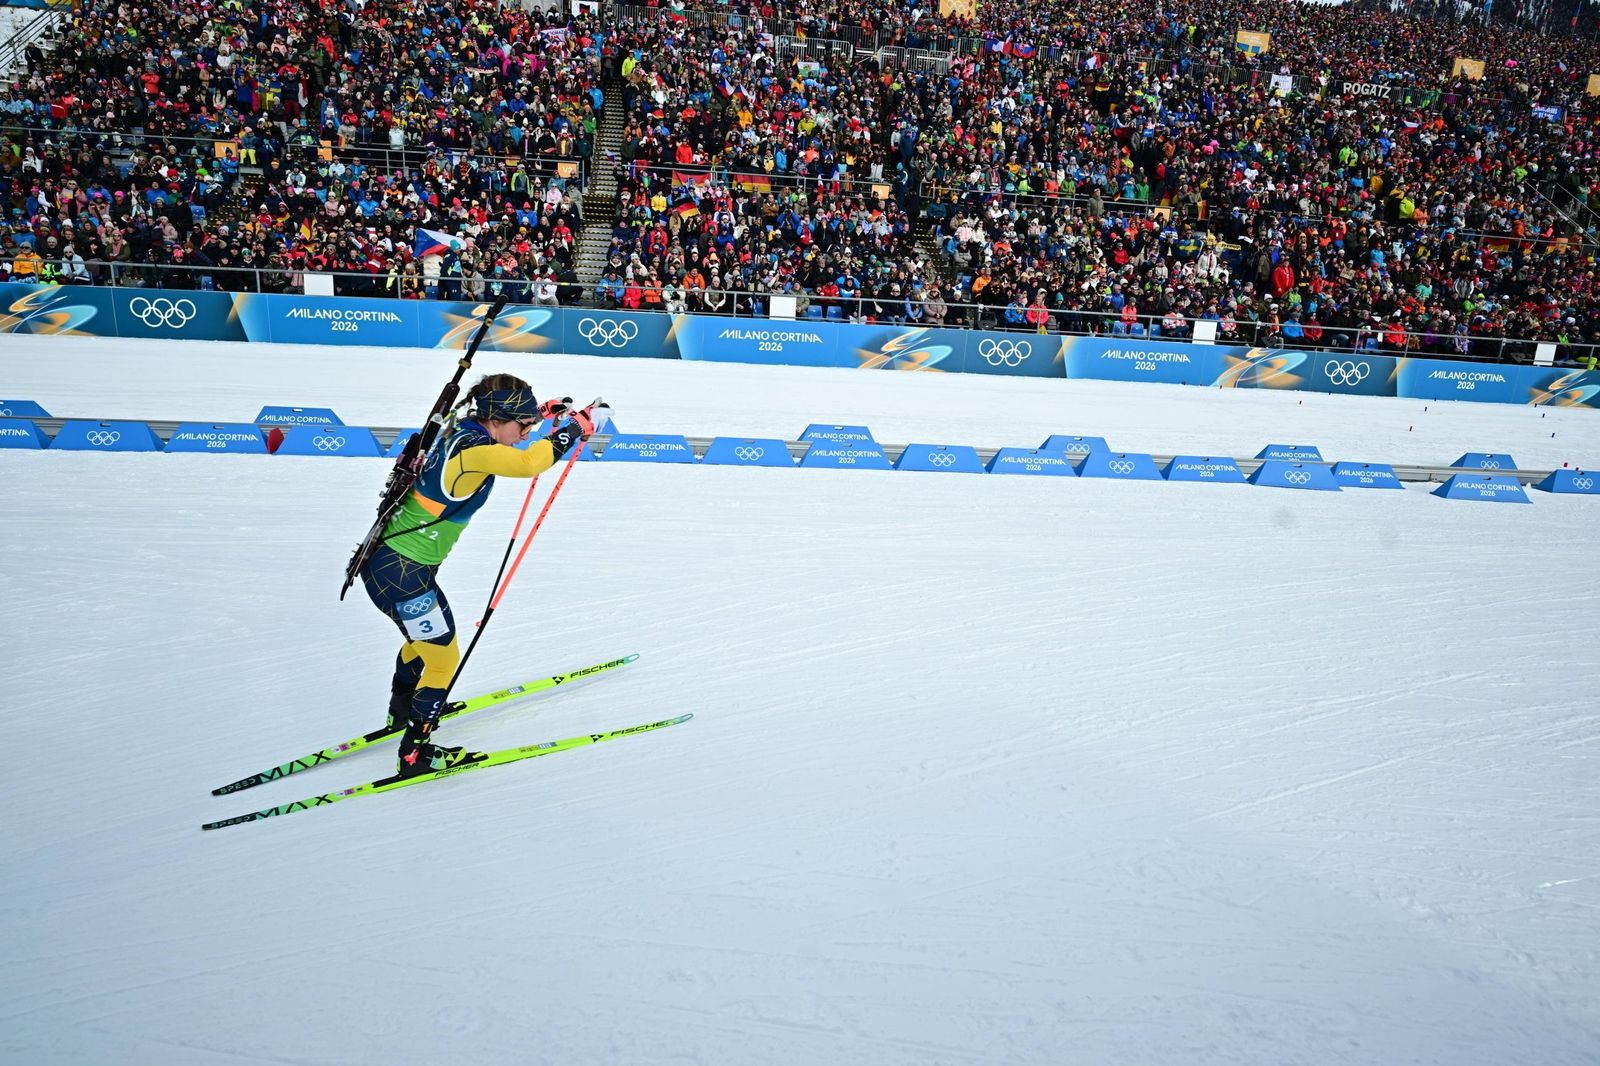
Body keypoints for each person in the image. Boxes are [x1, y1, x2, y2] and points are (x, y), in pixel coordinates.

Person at [360, 374, 610, 777]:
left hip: (392, 566)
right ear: (497, 418)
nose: (526, 433)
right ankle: (414, 754)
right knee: (443, 660)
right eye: (522, 426)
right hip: (404, 574)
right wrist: (576, 428)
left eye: (531, 425)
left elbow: (511, 442)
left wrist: (543, 417)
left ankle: (402, 710)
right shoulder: (474, 452)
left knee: (425, 644)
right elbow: (530, 463)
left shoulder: (465, 429)